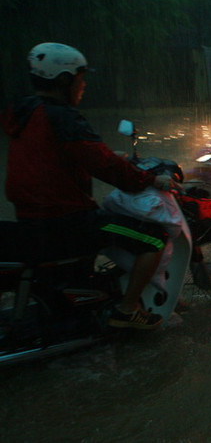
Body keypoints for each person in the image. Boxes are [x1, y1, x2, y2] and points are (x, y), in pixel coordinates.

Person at [2, 43, 179, 329]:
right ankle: (127, 309)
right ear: (64, 80)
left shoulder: (24, 112)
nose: (83, 87)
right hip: (67, 221)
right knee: (153, 238)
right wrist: (150, 179)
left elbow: (57, 157)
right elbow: (104, 166)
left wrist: (106, 160)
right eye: (80, 80)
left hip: (31, 218)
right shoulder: (63, 117)